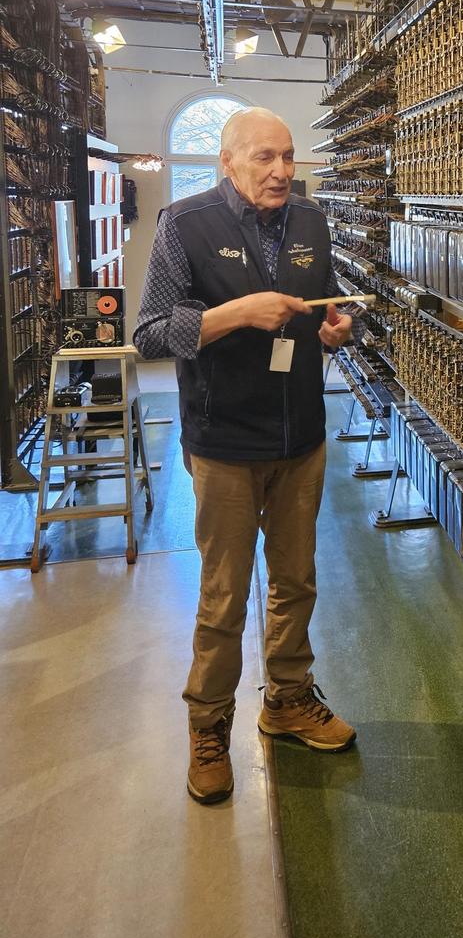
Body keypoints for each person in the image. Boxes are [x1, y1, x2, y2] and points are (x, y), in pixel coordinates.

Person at [134, 106, 356, 805]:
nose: (281, 170)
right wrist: (236, 313)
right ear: (227, 161)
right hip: (225, 440)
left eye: (288, 156)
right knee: (224, 595)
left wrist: (333, 330)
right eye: (264, 157)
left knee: (296, 580)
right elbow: (149, 333)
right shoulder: (185, 223)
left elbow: (320, 313)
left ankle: (287, 699)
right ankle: (208, 727)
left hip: (300, 437)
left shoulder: (312, 221)